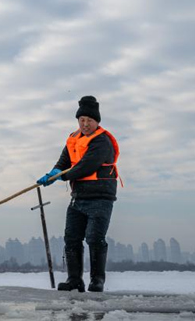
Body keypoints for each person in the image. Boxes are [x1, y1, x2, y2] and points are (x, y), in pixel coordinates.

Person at [37, 96, 120, 293]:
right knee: (71, 238)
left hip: (100, 198)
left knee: (94, 238)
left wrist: (61, 177)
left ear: (97, 121)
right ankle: (74, 280)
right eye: (81, 120)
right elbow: (64, 162)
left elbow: (86, 166)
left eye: (89, 120)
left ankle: (97, 280)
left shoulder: (102, 141)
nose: (85, 124)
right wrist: (52, 173)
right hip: (78, 198)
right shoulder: (73, 139)